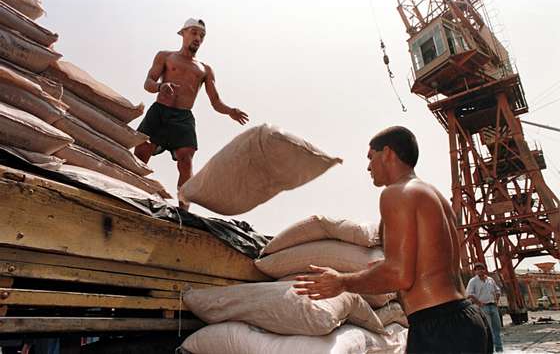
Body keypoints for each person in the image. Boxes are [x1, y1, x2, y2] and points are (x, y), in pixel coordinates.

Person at [294, 126, 493, 353]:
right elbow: (433, 261)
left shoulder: (396, 193)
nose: (368, 166)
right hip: (467, 319)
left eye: (371, 157)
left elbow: (400, 275)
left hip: (439, 327)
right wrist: (385, 266)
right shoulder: (434, 196)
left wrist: (341, 282)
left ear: (387, 153)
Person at [134, 18, 249, 208]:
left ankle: (184, 211)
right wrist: (161, 87)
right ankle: (132, 193)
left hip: (183, 117)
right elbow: (148, 83)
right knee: (141, 152)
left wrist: (230, 111)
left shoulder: (204, 69)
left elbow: (215, 101)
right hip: (160, 112)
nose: (198, 38)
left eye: (202, 35)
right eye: (194, 32)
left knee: (186, 160)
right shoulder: (165, 56)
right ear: (183, 33)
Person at [466, 262, 503, 352]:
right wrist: (479, 303)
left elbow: (497, 290)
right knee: (488, 329)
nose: (480, 271)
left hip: (493, 306)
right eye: (478, 269)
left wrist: (496, 301)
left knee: (497, 328)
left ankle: (499, 349)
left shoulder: (490, 280)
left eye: (481, 269)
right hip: (483, 307)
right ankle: (490, 350)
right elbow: (469, 294)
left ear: (485, 270)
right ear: (475, 271)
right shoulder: (473, 281)